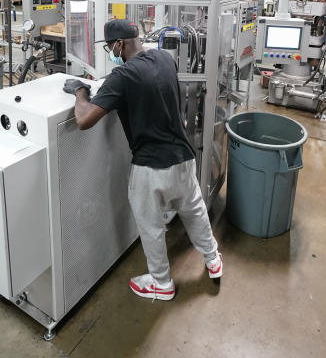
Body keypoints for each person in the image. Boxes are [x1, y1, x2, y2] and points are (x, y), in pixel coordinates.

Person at [62, 19, 222, 301]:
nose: (111, 51)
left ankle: (161, 283)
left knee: (150, 226)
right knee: (194, 211)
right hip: (184, 158)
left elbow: (84, 119)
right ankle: (213, 258)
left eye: (111, 46)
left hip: (151, 167)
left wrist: (80, 92)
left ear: (120, 44)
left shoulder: (122, 77)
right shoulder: (164, 58)